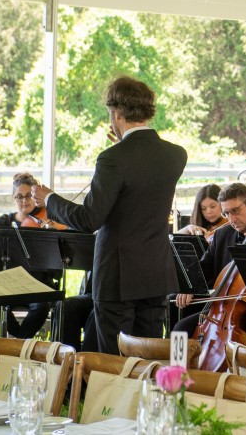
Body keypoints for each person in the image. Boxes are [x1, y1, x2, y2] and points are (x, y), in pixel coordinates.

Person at [32, 76, 187, 354]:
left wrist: (49, 199)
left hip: (117, 278)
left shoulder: (112, 159)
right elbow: (141, 178)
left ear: (116, 113)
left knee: (114, 359)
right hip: (155, 274)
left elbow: (88, 219)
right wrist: (121, 145)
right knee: (147, 357)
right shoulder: (176, 155)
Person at [172, 182, 246, 344]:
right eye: (226, 213)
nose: (232, 219)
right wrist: (190, 287)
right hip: (228, 306)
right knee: (181, 328)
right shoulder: (223, 234)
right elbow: (203, 268)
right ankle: (179, 369)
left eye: (236, 211)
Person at [0, 172, 61, 338]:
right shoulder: (3, 223)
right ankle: (21, 340)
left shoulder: (46, 222)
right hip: (9, 286)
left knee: (41, 306)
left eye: (28, 196)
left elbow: (56, 265)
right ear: (13, 197)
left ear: (35, 197)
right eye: (19, 197)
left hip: (38, 285)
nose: (24, 201)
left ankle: (18, 344)